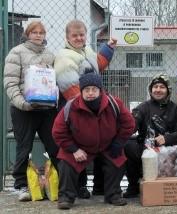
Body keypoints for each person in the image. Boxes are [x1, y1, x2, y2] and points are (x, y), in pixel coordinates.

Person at [52, 72, 135, 210]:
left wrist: (118, 142)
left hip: (108, 145)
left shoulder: (114, 103)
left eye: (94, 89)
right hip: (80, 147)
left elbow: (129, 124)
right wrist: (74, 149)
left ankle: (113, 194)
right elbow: (58, 131)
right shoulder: (71, 106)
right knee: (66, 163)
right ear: (81, 91)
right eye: (86, 90)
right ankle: (66, 197)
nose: (90, 93)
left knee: (118, 161)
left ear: (100, 90)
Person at [54, 19, 117, 198]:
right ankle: (78, 188)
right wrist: (88, 106)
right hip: (76, 108)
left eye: (82, 34)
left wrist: (109, 47)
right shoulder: (64, 57)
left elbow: (99, 64)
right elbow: (71, 89)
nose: (79, 38)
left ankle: (95, 187)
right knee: (76, 147)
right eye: (74, 35)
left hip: (91, 105)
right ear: (67, 37)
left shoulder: (86, 51)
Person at [3, 21, 59, 201]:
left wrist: (53, 98)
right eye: (34, 32)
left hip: (46, 109)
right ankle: (21, 185)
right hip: (23, 109)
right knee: (23, 147)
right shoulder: (16, 52)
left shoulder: (50, 55)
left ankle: (58, 182)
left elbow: (53, 81)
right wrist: (23, 103)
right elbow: (10, 83)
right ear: (27, 34)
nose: (38, 35)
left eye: (41, 32)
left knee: (54, 146)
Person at [123, 74, 177, 198]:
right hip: (147, 150)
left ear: (168, 90)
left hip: (170, 151)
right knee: (129, 147)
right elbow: (132, 123)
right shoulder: (143, 107)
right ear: (150, 90)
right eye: (155, 87)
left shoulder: (176, 110)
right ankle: (133, 186)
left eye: (162, 87)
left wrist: (167, 138)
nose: (158, 89)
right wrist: (130, 124)